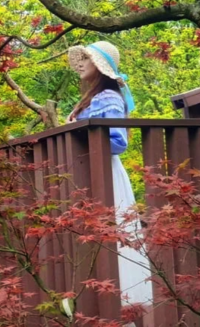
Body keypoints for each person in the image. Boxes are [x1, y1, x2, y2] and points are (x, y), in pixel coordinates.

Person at [66, 41, 153, 307]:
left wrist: (83, 134)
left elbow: (116, 141)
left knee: (110, 231)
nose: (80, 64)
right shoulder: (94, 97)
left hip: (103, 169)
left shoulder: (107, 97)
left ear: (101, 66)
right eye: (80, 59)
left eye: (87, 59)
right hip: (90, 168)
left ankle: (116, 304)